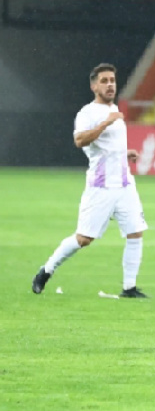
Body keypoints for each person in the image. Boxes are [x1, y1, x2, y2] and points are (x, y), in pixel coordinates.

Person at [31, 63, 148, 299]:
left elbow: (106, 148)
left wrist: (125, 154)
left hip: (124, 183)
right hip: (101, 186)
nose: (110, 85)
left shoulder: (115, 110)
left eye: (112, 80)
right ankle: (46, 270)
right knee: (84, 239)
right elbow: (80, 140)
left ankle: (129, 288)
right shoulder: (88, 113)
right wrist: (105, 123)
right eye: (104, 81)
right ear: (94, 86)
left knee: (135, 233)